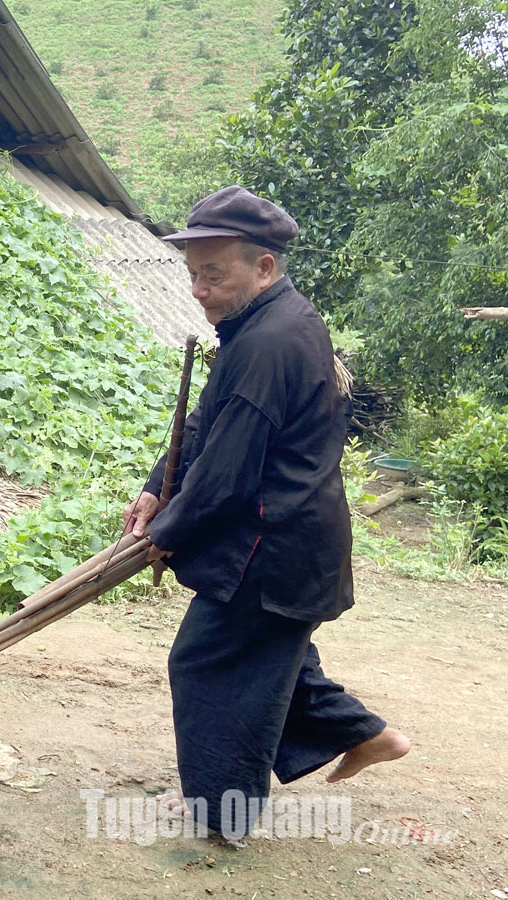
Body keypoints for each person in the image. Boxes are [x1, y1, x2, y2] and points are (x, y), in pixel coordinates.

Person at [123, 186, 410, 840]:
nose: (198, 288)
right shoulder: (260, 325)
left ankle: (222, 815)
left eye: (213, 274)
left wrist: (167, 535)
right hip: (282, 541)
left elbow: (227, 467)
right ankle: (372, 736)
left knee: (207, 660)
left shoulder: (271, 340)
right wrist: (155, 491)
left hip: (274, 545)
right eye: (193, 273)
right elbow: (206, 424)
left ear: (264, 267)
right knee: (271, 658)